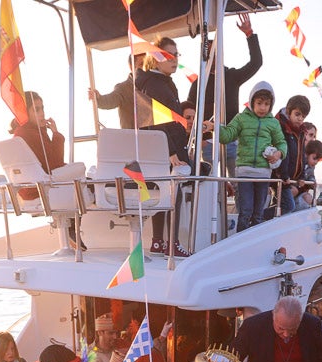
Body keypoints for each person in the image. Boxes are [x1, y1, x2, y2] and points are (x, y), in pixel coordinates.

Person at [134, 37, 192, 258]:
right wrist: (170, 151)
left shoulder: (159, 81)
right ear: (156, 57)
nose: (175, 59)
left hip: (168, 145)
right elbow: (155, 121)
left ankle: (158, 241)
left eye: (177, 55)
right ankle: (172, 243)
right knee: (172, 192)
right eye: (169, 55)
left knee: (161, 190)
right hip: (167, 148)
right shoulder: (156, 84)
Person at [187, 11, 263, 176]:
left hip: (232, 142)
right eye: (209, 54)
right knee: (208, 185)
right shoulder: (198, 85)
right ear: (204, 57)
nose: (213, 58)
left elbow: (256, 63)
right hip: (207, 143)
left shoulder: (232, 77)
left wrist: (249, 34)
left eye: (216, 53)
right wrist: (199, 140)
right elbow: (189, 113)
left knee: (238, 184)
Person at [217, 81, 286, 232]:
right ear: (252, 101)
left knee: (258, 214)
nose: (262, 107)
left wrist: (278, 153)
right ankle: (240, 244)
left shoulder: (273, 123)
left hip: (263, 174)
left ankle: (254, 245)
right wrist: (216, 128)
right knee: (245, 211)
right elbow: (227, 136)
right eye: (259, 103)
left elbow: (282, 143)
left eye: (266, 104)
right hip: (244, 173)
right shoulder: (241, 118)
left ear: (271, 105)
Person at [268, 94, 311, 220]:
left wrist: (302, 176)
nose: (300, 119)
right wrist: (283, 174)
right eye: (297, 114)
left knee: (281, 206)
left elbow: (301, 156)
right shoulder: (280, 127)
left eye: (303, 116)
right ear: (288, 111)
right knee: (288, 206)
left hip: (290, 178)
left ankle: (270, 226)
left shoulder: (301, 132)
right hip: (280, 176)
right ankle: (258, 219)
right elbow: (283, 152)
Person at [88, 55, 137, 130]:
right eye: (141, 64)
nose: (145, 68)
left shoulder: (155, 84)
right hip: (132, 138)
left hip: (156, 136)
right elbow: (110, 100)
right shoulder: (123, 88)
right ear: (131, 67)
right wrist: (98, 98)